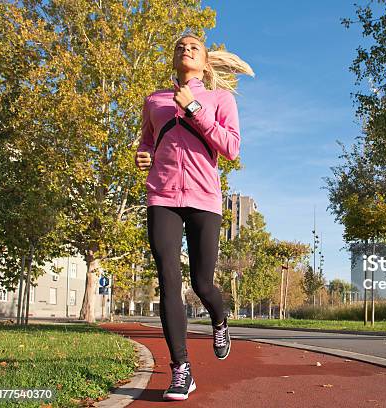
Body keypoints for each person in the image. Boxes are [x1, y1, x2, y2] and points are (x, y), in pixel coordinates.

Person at [134, 33, 254, 401]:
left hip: (205, 199)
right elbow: (146, 142)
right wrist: (143, 155)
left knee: (202, 283)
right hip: (162, 197)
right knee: (169, 281)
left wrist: (195, 111)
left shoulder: (220, 99)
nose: (185, 50)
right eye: (179, 47)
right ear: (174, 59)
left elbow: (231, 148)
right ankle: (181, 369)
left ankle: (220, 319)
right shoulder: (154, 100)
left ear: (204, 62)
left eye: (193, 47)